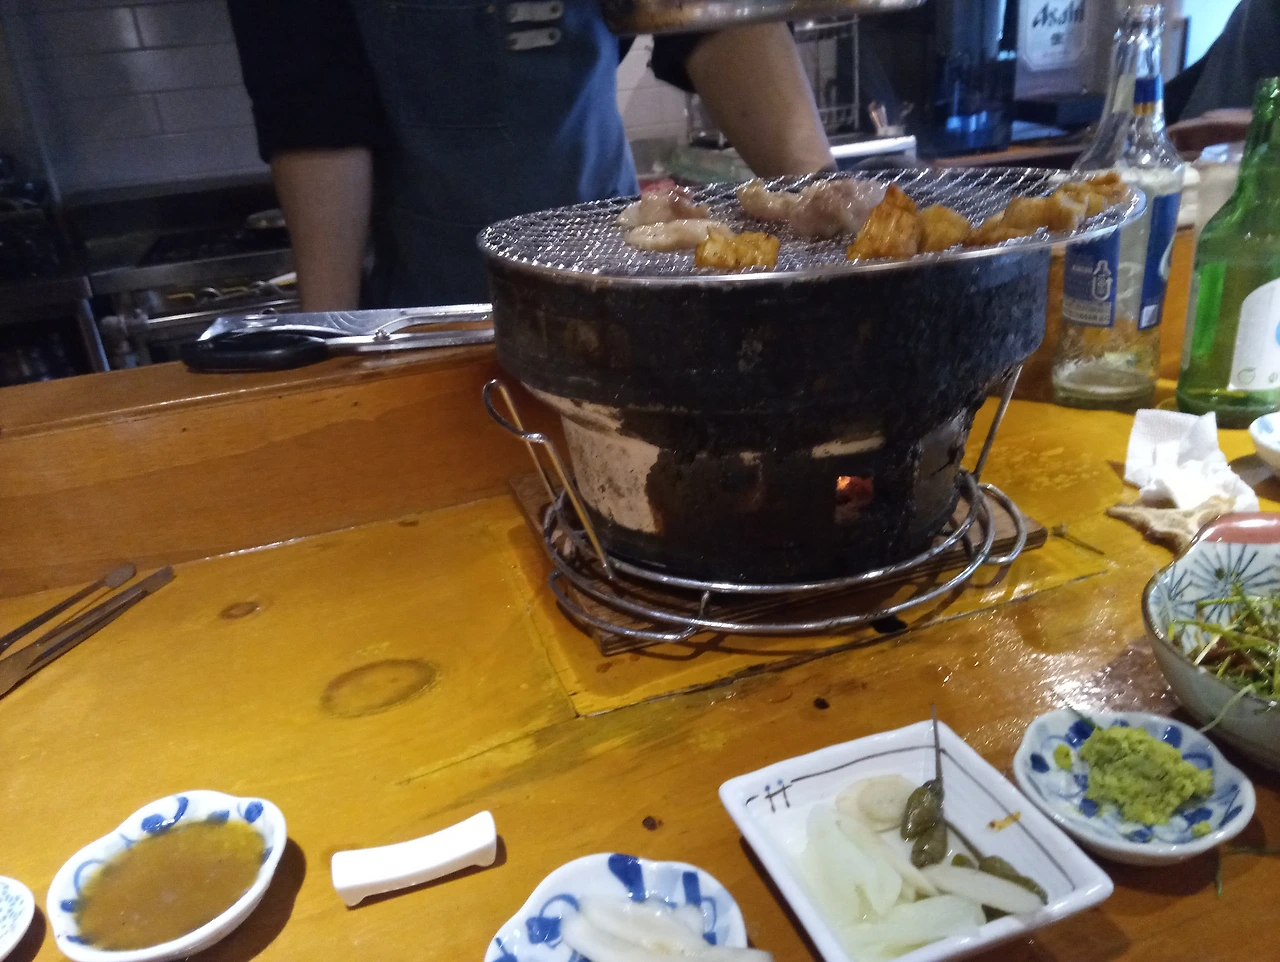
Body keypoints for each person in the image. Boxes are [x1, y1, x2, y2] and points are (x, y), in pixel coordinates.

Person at [228, 1, 834, 310]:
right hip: (439, 311)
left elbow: (713, 21)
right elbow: (316, 113)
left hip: (629, 291)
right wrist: (329, 333)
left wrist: (830, 217)